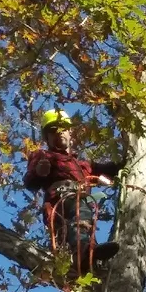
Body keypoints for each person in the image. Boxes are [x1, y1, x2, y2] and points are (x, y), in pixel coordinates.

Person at [24, 108, 124, 268]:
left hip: (80, 202)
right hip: (60, 201)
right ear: (47, 137)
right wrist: (39, 172)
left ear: (70, 132)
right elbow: (30, 182)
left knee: (83, 225)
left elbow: (114, 169)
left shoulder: (84, 165)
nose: (59, 132)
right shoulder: (43, 155)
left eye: (62, 128)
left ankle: (88, 261)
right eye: (53, 130)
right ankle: (84, 252)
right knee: (79, 213)